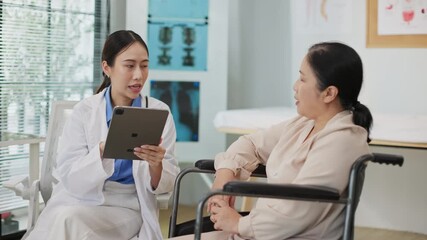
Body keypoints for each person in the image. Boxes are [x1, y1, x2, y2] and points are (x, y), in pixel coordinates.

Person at [170, 42, 373, 240]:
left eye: (302, 80)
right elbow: (250, 143)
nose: (295, 86)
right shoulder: (303, 125)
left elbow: (301, 209)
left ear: (329, 93)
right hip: (261, 231)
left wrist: (239, 224)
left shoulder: (343, 140)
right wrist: (224, 174)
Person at [26, 30, 179, 240]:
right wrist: (100, 151)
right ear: (107, 67)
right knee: (63, 220)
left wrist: (156, 165)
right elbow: (70, 175)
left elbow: (166, 185)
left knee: (70, 222)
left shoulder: (159, 113)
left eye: (144, 65)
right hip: (79, 200)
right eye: (129, 65)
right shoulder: (84, 111)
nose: (139, 75)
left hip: (128, 206)